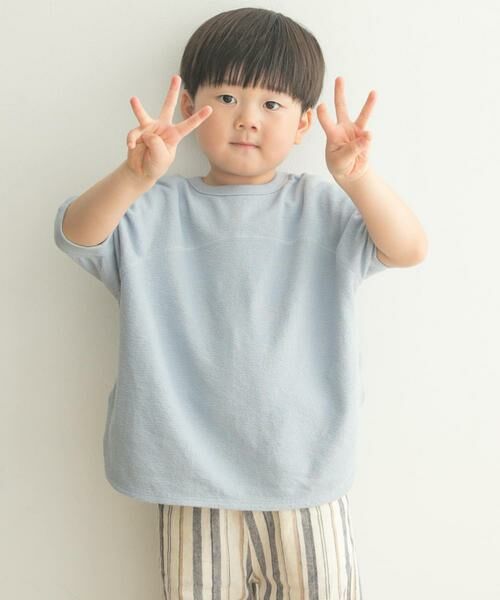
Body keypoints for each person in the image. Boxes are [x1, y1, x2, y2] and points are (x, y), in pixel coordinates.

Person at [53, 7, 428, 600]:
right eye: (226, 97)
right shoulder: (153, 210)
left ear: (303, 125)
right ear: (189, 105)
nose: (247, 118)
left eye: (271, 104)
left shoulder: (323, 209)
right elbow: (76, 235)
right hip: (188, 474)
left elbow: (407, 249)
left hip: (304, 473)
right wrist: (134, 175)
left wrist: (358, 178)